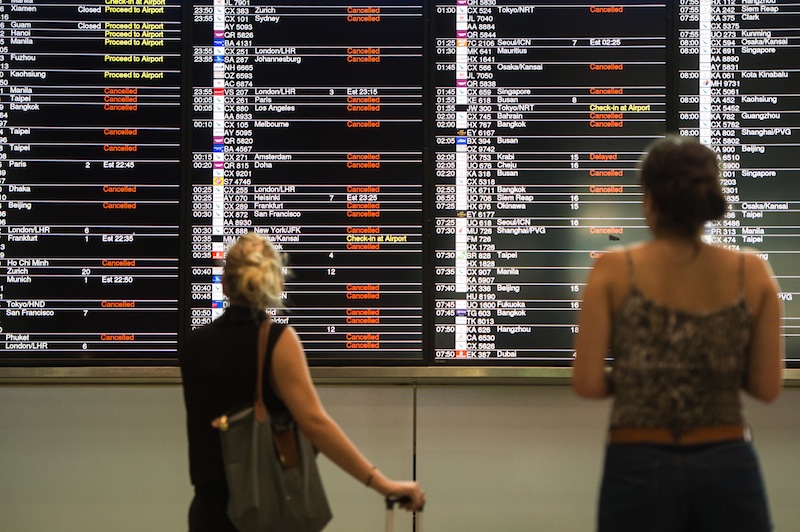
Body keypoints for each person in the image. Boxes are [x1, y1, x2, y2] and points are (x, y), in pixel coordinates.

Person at [572, 135, 783, 532]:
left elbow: (586, 382)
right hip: (728, 462)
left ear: (648, 200)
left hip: (636, 462)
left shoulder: (614, 271)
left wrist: (640, 378)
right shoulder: (752, 273)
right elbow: (767, 387)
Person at [180, 232, 425, 531]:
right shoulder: (278, 341)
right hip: (262, 513)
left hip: (207, 515)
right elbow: (315, 423)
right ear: (276, 284)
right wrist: (383, 484)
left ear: (224, 284)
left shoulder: (193, 345)